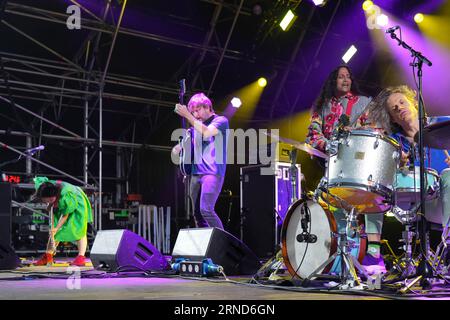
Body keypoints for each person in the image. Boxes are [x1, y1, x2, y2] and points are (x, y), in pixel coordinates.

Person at [305, 65, 387, 275]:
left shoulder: (364, 102)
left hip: (360, 162)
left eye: (348, 76)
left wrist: (356, 131)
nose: (346, 80)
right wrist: (326, 144)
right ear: (333, 81)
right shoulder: (321, 105)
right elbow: (312, 135)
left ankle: (374, 255)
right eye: (341, 77)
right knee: (337, 210)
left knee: (374, 196)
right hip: (333, 166)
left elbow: (376, 129)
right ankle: (343, 263)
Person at [366, 84, 450, 234]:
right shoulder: (392, 142)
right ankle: (374, 249)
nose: (399, 107)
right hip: (412, 204)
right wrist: (397, 167)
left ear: (413, 102)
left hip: (443, 197)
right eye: (394, 108)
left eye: (402, 102)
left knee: (447, 175)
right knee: (372, 183)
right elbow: (383, 180)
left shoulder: (443, 124)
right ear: (393, 119)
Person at [172, 92, 229, 229]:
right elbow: (184, 146)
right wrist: (178, 148)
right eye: (193, 112)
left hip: (212, 173)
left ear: (207, 106)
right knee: (197, 214)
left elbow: (207, 132)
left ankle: (223, 243)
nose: (195, 114)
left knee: (206, 210)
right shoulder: (194, 129)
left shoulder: (221, 121)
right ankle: (205, 247)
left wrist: (187, 115)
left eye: (197, 110)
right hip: (195, 174)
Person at [32, 176, 93, 267]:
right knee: (53, 231)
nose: (47, 202)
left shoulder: (65, 196)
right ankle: (48, 256)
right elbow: (51, 208)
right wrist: (53, 226)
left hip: (76, 199)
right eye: (46, 201)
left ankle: (81, 257)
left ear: (55, 196)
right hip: (60, 200)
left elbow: (65, 215)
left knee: (79, 228)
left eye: (50, 200)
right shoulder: (43, 188)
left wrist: (56, 228)